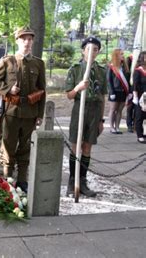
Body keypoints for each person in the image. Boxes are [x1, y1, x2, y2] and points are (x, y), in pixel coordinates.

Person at [0, 26, 46, 192]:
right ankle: (7, 180)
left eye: (30, 39)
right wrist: (8, 89)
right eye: (24, 39)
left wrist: (40, 114)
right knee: (8, 146)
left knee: (25, 147)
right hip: (11, 112)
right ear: (18, 41)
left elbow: (42, 90)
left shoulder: (38, 63)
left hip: (30, 113)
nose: (27, 42)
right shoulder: (7, 61)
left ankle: (22, 181)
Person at [65, 36, 107, 197]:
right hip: (79, 109)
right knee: (76, 145)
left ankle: (82, 180)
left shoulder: (102, 71)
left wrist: (101, 120)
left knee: (87, 147)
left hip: (94, 111)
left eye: (95, 49)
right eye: (89, 49)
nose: (92, 52)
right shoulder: (75, 69)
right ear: (83, 51)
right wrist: (78, 88)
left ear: (98, 52)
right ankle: (72, 180)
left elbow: (102, 96)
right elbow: (69, 95)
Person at [106, 48, 130, 134]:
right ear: (116, 56)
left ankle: (117, 127)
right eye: (121, 54)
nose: (123, 56)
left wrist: (129, 92)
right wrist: (112, 92)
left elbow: (127, 80)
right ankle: (111, 127)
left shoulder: (125, 67)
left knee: (119, 110)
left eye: (123, 54)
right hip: (114, 91)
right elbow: (109, 80)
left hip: (123, 91)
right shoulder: (111, 67)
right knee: (113, 109)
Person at [132, 51, 146, 143]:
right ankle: (139, 135)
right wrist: (135, 97)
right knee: (139, 116)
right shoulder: (138, 71)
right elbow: (135, 85)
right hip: (141, 96)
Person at [126, 54, 135, 133]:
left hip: (139, 89)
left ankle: (135, 124)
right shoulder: (129, 59)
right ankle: (129, 125)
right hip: (131, 89)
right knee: (130, 108)